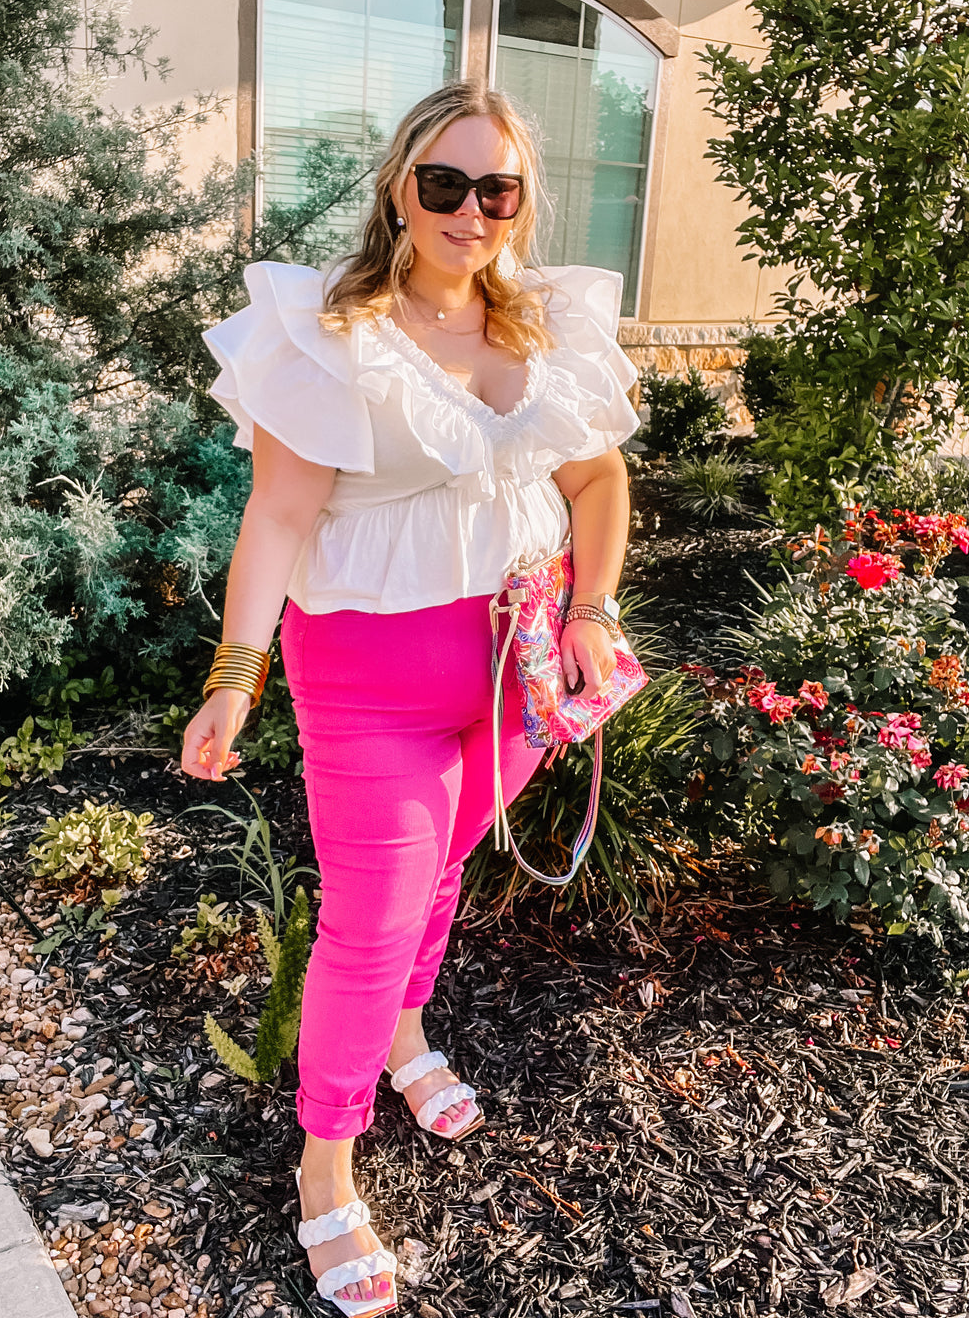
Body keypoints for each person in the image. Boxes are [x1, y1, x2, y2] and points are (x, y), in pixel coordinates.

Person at [181, 80, 639, 1318]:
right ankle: (324, 1166)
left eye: (497, 189)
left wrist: (593, 611)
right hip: (369, 682)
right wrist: (235, 675)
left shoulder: (546, 329)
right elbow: (276, 517)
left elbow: (599, 483)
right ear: (401, 186)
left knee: (441, 874)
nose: (469, 209)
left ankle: (403, 1037)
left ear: (520, 202)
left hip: (520, 674)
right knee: (370, 919)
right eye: (445, 183)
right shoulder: (334, 336)